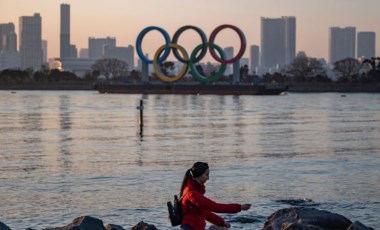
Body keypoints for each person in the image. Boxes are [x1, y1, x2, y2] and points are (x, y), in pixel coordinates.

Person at [179, 162, 251, 230]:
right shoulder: (193, 194)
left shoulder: (191, 190)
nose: (208, 178)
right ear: (200, 175)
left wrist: (221, 222)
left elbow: (204, 212)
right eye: (206, 175)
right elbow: (215, 207)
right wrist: (239, 207)